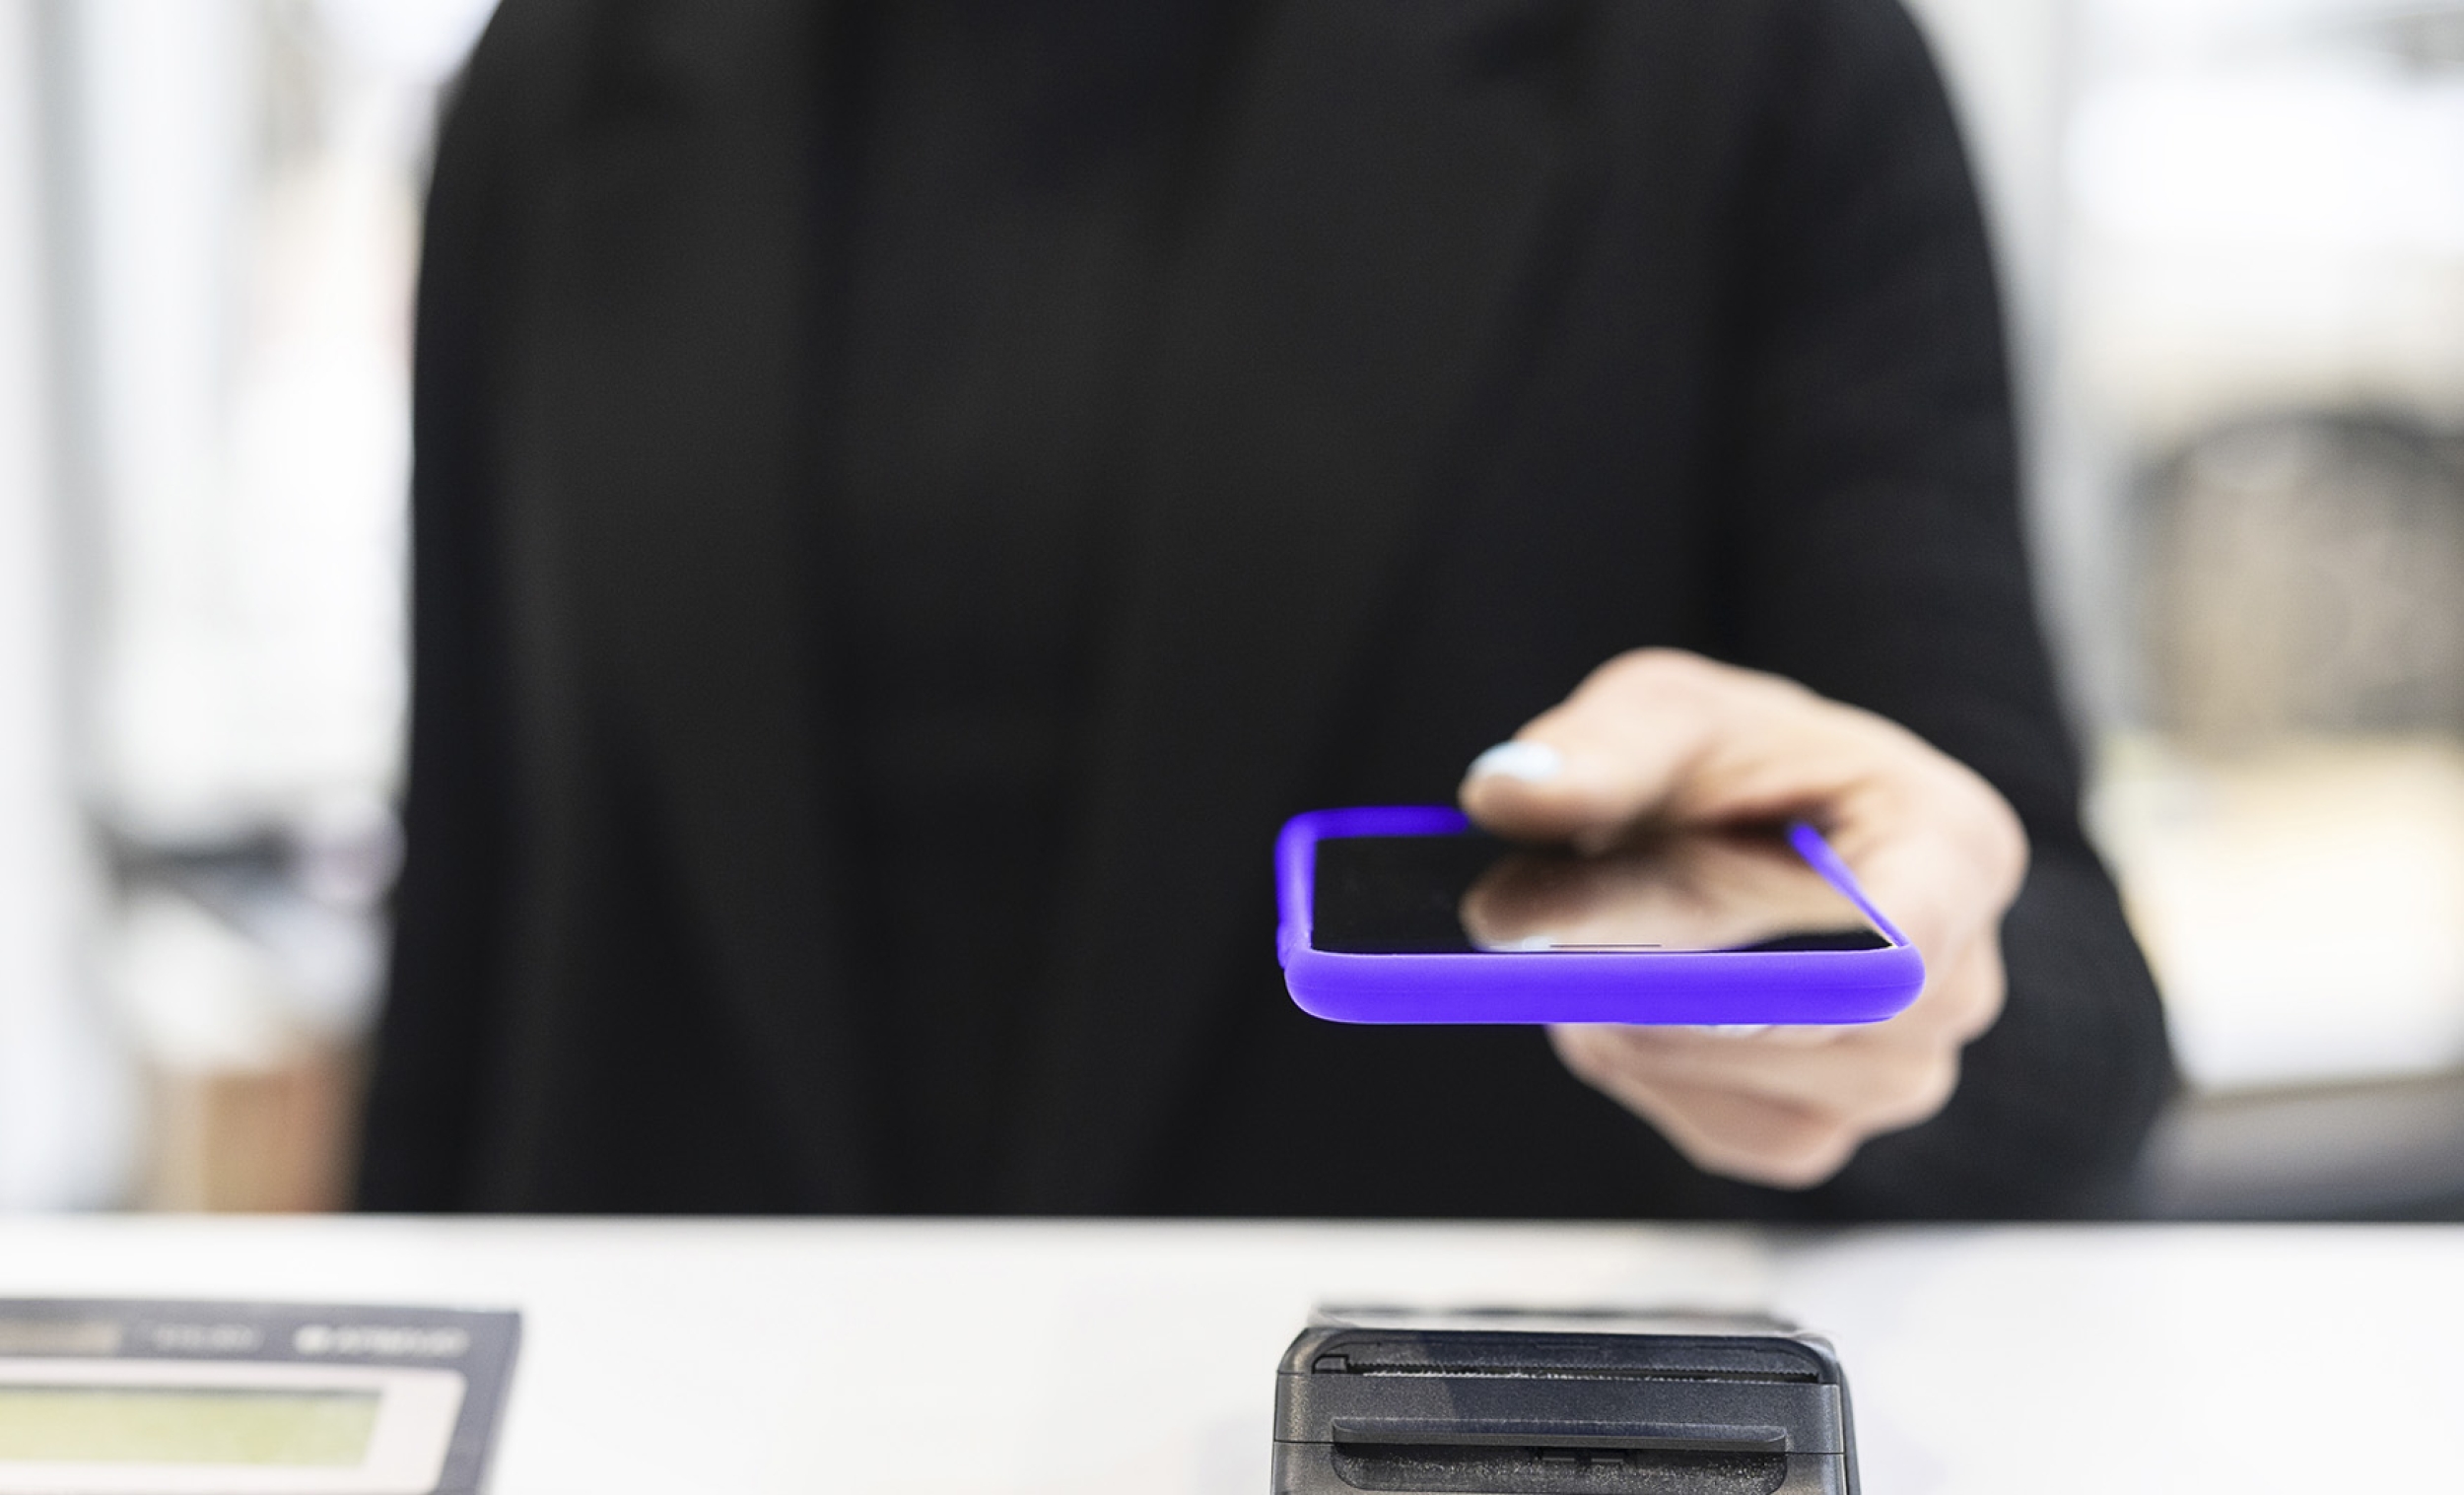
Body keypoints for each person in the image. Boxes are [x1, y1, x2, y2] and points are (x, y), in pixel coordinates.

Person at [358, 0, 2174, 1217]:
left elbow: (2072, 1015)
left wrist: (1895, 999)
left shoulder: (1742, 53)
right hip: (703, 1435)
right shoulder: (572, 68)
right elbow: (462, 934)